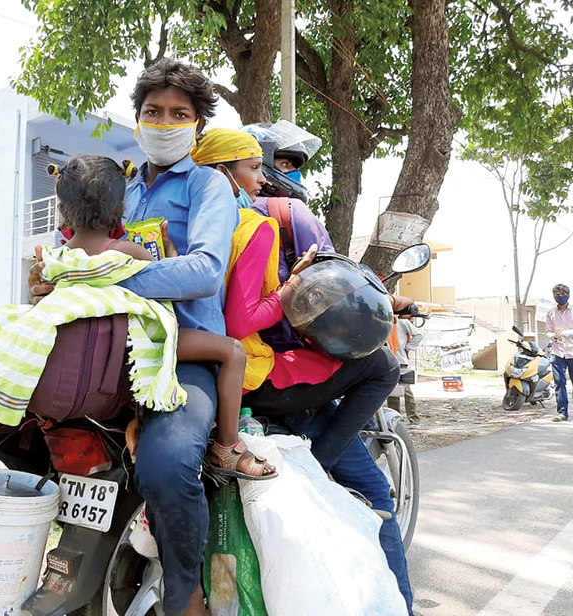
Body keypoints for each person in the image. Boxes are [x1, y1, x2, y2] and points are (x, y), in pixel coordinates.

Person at [29, 58, 240, 616]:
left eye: (179, 114)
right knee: (18, 424)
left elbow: (204, 271)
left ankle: (185, 593)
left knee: (167, 467)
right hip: (101, 351)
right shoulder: (117, 187)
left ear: (197, 126)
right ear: (138, 118)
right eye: (153, 112)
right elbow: (75, 254)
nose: (164, 122)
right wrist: (53, 277)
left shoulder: (209, 186)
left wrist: (112, 268)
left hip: (180, 353)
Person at [191, 127, 415, 614]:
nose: (282, 175)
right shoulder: (275, 220)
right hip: (264, 375)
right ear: (238, 169)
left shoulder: (183, 218)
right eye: (277, 164)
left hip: (205, 374)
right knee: (380, 368)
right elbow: (327, 284)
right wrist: (289, 289)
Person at [44, 153, 275, 480]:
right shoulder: (127, 252)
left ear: (64, 210)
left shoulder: (57, 259)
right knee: (232, 351)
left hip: (91, 349)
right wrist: (169, 252)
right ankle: (227, 446)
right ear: (120, 209)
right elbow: (168, 287)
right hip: (135, 339)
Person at [546, 283, 573, 422]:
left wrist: (566, 333)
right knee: (559, 382)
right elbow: (548, 331)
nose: (560, 297)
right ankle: (562, 412)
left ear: (568, 295)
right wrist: (554, 336)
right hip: (558, 352)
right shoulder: (551, 313)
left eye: (562, 294)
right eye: (557, 295)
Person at [387, 318, 424, 424]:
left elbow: (419, 334)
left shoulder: (402, 322)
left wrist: (408, 348)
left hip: (400, 360)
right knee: (392, 392)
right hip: (388, 361)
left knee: (406, 391)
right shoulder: (384, 322)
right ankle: (395, 419)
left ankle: (413, 419)